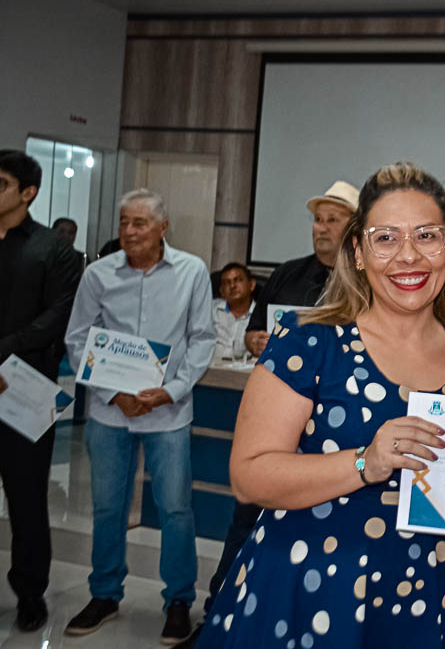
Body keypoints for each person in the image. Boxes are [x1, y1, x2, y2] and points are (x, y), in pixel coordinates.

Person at [197, 162, 445, 649]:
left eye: (426, 236)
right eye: (386, 238)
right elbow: (249, 477)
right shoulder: (309, 342)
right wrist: (364, 462)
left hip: (437, 598)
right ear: (357, 251)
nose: (409, 256)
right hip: (311, 591)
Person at [64, 188, 215, 644]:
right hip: (111, 413)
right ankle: (105, 594)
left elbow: (202, 338)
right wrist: (113, 394)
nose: (129, 231)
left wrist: (169, 392)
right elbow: (77, 339)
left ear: (162, 227)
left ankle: (177, 601)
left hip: (168, 413)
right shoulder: (97, 274)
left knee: (175, 509)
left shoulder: (191, 271)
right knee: (108, 507)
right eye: (124, 222)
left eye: (140, 223)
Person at [0, 149, 82, 632]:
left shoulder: (54, 249)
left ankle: (30, 592)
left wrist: (4, 351)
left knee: (27, 496)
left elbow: (58, 314)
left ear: (27, 193)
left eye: (2, 183)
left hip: (26, 386)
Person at [243, 180, 360, 357]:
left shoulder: (366, 281)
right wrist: (255, 342)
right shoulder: (286, 273)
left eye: (332, 220)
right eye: (318, 219)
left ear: (354, 229)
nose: (322, 228)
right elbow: (252, 331)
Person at [213, 262, 256, 360]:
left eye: (238, 280)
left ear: (251, 285)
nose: (232, 286)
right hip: (211, 370)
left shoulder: (261, 315)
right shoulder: (209, 309)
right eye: (227, 282)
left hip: (245, 372)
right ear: (222, 291)